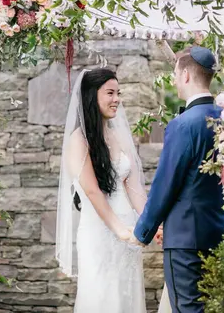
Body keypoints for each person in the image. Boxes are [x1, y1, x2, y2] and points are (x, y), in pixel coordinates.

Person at [133, 46, 224, 313]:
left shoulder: (183, 124)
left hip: (186, 240)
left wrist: (143, 232)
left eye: (175, 74)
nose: (174, 80)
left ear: (186, 75)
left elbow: (166, 184)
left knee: (188, 309)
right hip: (219, 232)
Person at [56, 68, 155, 313]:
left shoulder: (117, 136)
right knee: (102, 297)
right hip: (99, 232)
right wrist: (120, 231)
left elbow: (133, 187)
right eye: (110, 93)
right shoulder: (78, 141)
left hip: (129, 230)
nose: (116, 99)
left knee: (127, 296)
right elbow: (92, 192)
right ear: (91, 96)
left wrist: (150, 222)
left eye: (118, 93)